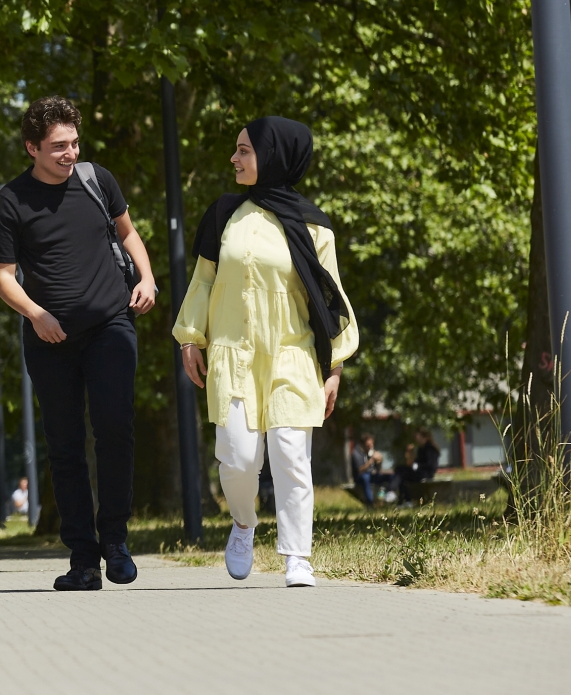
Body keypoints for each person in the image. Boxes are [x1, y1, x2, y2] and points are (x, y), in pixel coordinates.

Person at [175, 117, 358, 589]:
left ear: (273, 155)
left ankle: (298, 556)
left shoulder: (314, 226)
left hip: (292, 354)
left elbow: (330, 298)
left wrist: (333, 365)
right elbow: (203, 281)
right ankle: (243, 524)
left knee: (291, 456)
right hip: (233, 354)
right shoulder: (223, 215)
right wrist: (191, 337)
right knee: (237, 460)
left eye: (244, 151)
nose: (234, 159)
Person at [0, 96, 157, 591]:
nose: (69, 153)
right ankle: (83, 558)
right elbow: (2, 276)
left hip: (110, 324)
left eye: (74, 143)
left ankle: (116, 541)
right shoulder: (11, 201)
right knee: (65, 447)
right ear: (31, 148)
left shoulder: (96, 180)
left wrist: (145, 278)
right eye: (58, 146)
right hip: (50, 337)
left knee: (115, 431)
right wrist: (36, 315)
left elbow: (128, 235)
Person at [399, 429, 441, 504]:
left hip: (426, 473)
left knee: (404, 475)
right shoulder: (420, 449)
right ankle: (403, 499)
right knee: (401, 470)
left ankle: (405, 500)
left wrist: (418, 466)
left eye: (417, 437)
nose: (415, 439)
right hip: (420, 471)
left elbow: (430, 465)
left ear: (424, 437)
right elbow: (416, 461)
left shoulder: (430, 448)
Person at [348, 435, 385, 506]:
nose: (371, 447)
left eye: (372, 444)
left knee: (387, 476)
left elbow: (378, 470)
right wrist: (372, 460)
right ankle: (370, 502)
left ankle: (386, 498)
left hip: (371, 475)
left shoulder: (372, 452)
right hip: (360, 476)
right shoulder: (356, 453)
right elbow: (360, 470)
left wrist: (379, 461)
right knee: (366, 477)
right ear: (362, 445)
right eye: (368, 445)